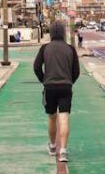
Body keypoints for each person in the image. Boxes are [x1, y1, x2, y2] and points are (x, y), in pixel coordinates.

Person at [33, 21, 80, 163]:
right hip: (66, 86)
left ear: (51, 33)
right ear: (64, 33)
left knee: (52, 117)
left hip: (50, 87)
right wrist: (69, 81)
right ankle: (63, 151)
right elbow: (76, 71)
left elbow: (36, 67)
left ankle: (53, 146)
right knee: (64, 117)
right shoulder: (70, 49)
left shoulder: (45, 48)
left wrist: (44, 80)